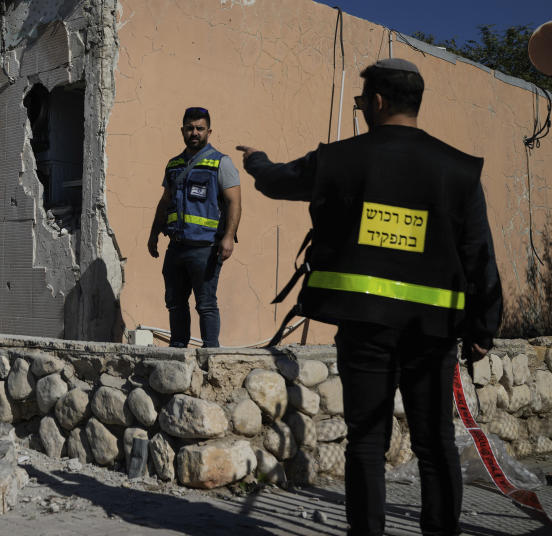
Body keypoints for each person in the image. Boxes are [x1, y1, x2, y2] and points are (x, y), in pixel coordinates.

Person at [237, 58, 502, 536]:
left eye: (362, 102)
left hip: (363, 327)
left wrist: (256, 160)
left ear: (377, 102)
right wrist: (483, 328)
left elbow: (277, 182)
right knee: (435, 444)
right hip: (432, 331)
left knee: (366, 443)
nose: (361, 109)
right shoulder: (457, 170)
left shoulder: (337, 160)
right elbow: (479, 252)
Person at [147, 106, 242, 348]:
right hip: (177, 246)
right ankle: (178, 349)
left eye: (200, 128)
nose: (194, 133)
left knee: (206, 303)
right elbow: (165, 201)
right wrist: (153, 233)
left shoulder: (221, 163)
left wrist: (228, 237)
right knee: (175, 301)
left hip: (206, 248)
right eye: (190, 128)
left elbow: (234, 203)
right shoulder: (174, 164)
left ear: (209, 131)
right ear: (182, 130)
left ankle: (211, 352)